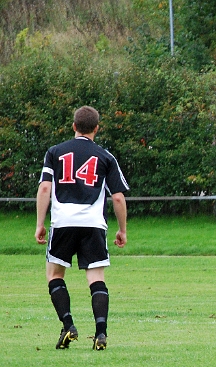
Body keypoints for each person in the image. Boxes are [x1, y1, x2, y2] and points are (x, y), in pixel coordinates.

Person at [35, 106, 129, 351]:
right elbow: (118, 198)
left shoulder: (54, 152)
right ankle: (100, 333)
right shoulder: (105, 157)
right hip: (93, 224)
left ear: (74, 126)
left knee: (55, 275)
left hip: (63, 223)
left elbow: (44, 188)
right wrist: (122, 230)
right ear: (96, 128)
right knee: (96, 278)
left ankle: (68, 325)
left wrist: (39, 224)